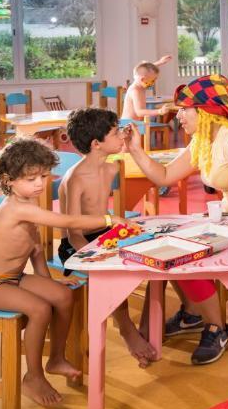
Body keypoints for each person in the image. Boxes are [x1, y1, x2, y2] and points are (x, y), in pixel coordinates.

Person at [125, 74, 228, 365]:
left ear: (205, 111)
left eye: (184, 110)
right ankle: (193, 313)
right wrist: (135, 149)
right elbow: (164, 176)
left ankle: (217, 328)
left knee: (186, 254)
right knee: (171, 248)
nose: (178, 116)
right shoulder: (202, 141)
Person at [0, 139, 122, 406]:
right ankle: (33, 376)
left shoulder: (28, 206)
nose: (40, 184)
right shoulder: (16, 208)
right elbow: (67, 221)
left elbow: (35, 250)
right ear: (9, 180)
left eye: (44, 176)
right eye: (31, 179)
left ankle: (56, 358)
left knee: (63, 296)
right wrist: (109, 219)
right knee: (40, 309)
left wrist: (48, 282)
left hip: (14, 279)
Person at [59, 107, 158, 368]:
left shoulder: (111, 167)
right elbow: (73, 230)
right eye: (116, 133)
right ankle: (127, 329)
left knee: (154, 258)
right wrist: (97, 256)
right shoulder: (75, 178)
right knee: (112, 271)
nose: (121, 136)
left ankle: (147, 328)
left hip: (105, 234)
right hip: (77, 243)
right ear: (96, 144)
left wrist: (132, 144)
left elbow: (149, 169)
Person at [121, 55, 173, 122]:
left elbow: (145, 70)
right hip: (127, 125)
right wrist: (159, 111)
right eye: (152, 81)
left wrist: (160, 62)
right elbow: (139, 112)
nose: (153, 83)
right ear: (143, 79)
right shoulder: (135, 90)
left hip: (136, 124)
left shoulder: (141, 84)